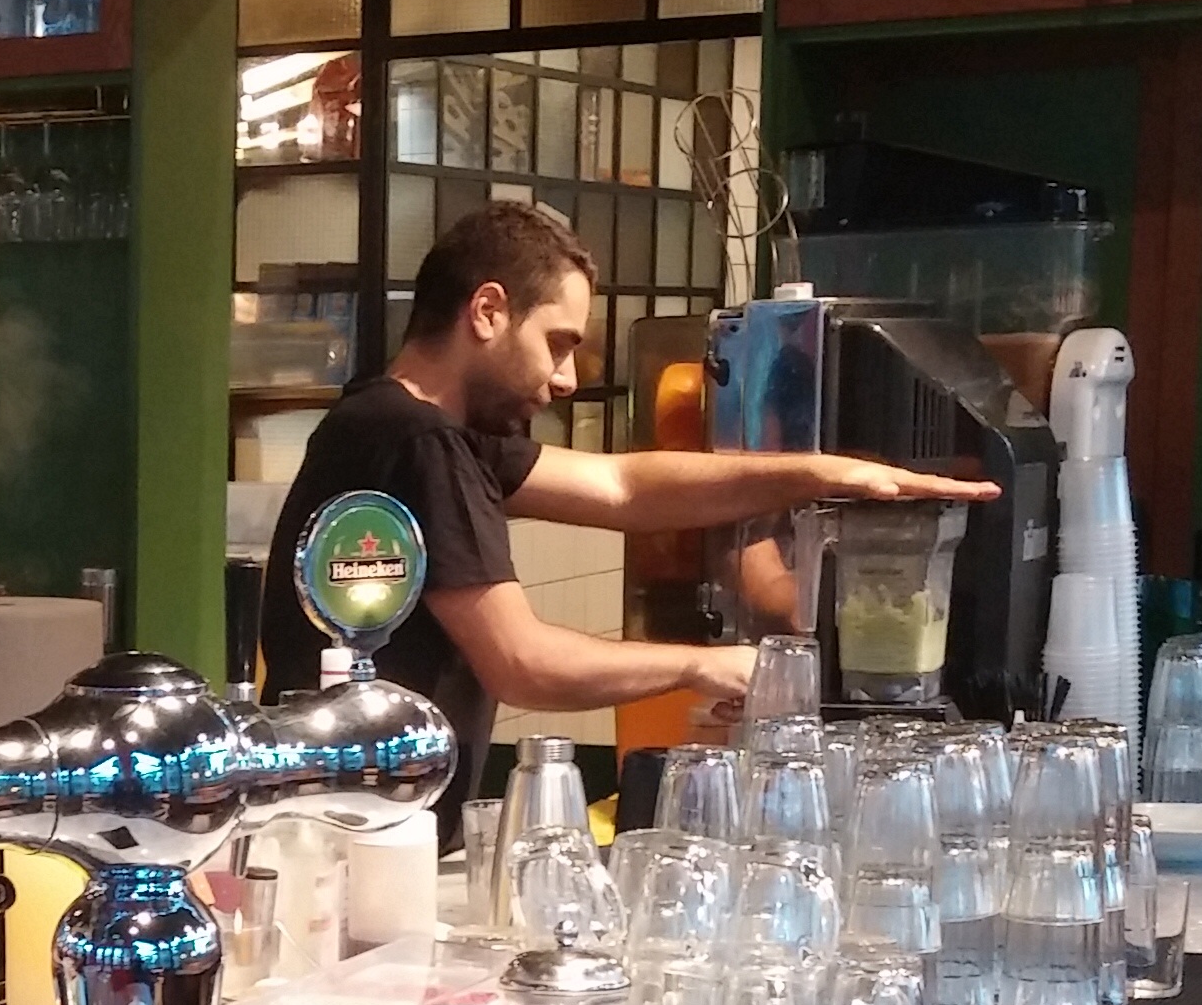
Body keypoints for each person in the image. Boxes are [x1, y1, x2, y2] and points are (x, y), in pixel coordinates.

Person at [258, 202, 994, 835]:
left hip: (345, 825)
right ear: (486, 312)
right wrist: (700, 665)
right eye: (558, 344)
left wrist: (823, 474)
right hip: (356, 840)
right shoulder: (421, 442)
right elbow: (522, 662)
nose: (567, 379)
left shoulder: (391, 421)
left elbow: (623, 487)